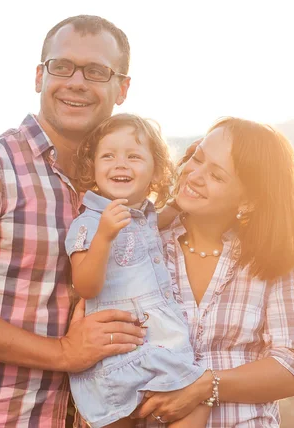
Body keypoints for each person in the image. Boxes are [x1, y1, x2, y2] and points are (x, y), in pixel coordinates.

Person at [0, 15, 146, 428]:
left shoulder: (117, 189)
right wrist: (63, 353)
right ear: (40, 76)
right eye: (62, 66)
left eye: (96, 71)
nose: (76, 81)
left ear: (121, 88)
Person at [132, 117, 294, 427]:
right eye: (197, 157)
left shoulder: (275, 258)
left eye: (216, 175)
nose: (194, 174)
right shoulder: (144, 245)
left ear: (249, 201)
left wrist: (205, 386)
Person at [66, 113, 209, 428]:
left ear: (155, 171)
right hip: (115, 354)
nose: (120, 164)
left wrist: (190, 168)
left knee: (196, 405)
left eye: (133, 156)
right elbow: (86, 286)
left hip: (161, 347)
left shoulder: (145, 217)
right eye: (108, 156)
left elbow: (173, 209)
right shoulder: (88, 223)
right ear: (92, 168)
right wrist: (103, 237)